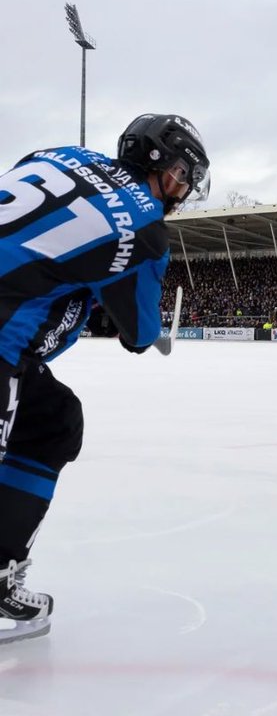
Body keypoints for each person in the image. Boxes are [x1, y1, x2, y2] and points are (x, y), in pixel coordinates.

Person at [0, 113, 210, 642]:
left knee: (52, 419)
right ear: (161, 165)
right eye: (182, 176)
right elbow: (139, 333)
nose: (181, 192)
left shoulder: (63, 154)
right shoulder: (145, 228)